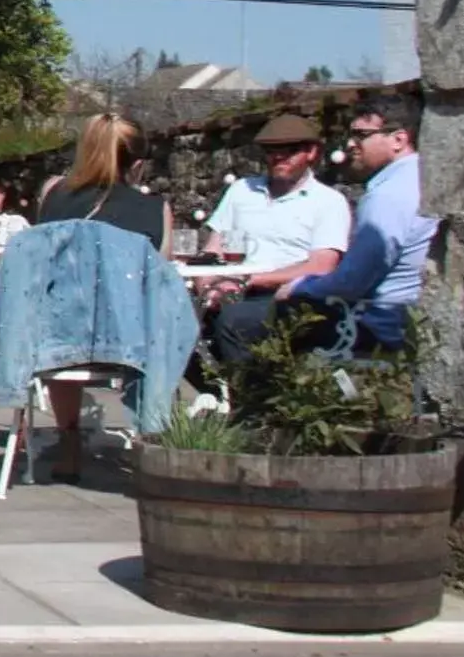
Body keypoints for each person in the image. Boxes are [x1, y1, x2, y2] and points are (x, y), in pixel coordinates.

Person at [215, 93, 439, 361]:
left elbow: (350, 281)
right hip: (405, 317)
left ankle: (254, 401)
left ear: (398, 140)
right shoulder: (424, 181)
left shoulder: (387, 197)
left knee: (234, 320)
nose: (351, 144)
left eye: (361, 135)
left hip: (371, 323)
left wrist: (299, 287)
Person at [33, 112, 171, 482]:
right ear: (138, 166)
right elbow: (159, 283)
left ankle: (69, 444)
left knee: (61, 312)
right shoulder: (155, 210)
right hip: (126, 344)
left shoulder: (54, 199)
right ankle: (151, 435)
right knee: (163, 319)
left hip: (59, 342)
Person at [194, 113, 351, 332]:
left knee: (232, 321)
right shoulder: (241, 190)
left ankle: (242, 368)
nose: (278, 157)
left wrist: (251, 280)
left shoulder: (328, 202)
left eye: (289, 151)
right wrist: (208, 287)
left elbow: (322, 267)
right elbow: (214, 249)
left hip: (289, 296)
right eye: (271, 151)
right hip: (231, 291)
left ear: (311, 152)